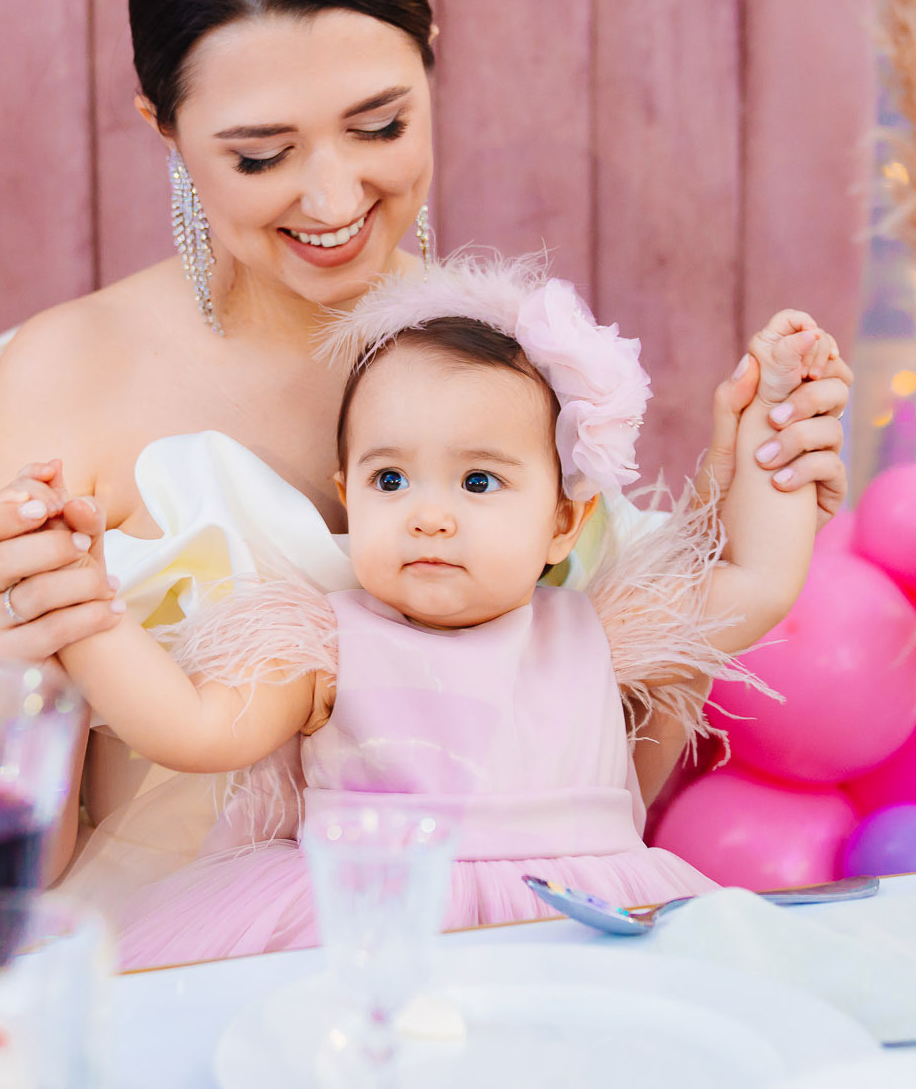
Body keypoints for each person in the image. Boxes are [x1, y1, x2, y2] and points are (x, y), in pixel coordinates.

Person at [0, 0, 853, 911]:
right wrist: (31, 657)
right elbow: (7, 877)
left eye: (379, 125)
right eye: (259, 155)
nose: (333, 196)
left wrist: (727, 496)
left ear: (431, 61)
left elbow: (601, 790)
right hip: (175, 952)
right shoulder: (70, 373)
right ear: (166, 132)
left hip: (501, 937)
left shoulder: (496, 357)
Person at [48, 254, 828, 966]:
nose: (429, 515)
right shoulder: (325, 644)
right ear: (349, 495)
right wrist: (88, 610)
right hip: (370, 934)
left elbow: (753, 576)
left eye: (478, 482)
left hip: (581, 934)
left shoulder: (596, 631)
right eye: (391, 481)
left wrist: (779, 420)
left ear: (563, 521)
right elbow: (193, 726)